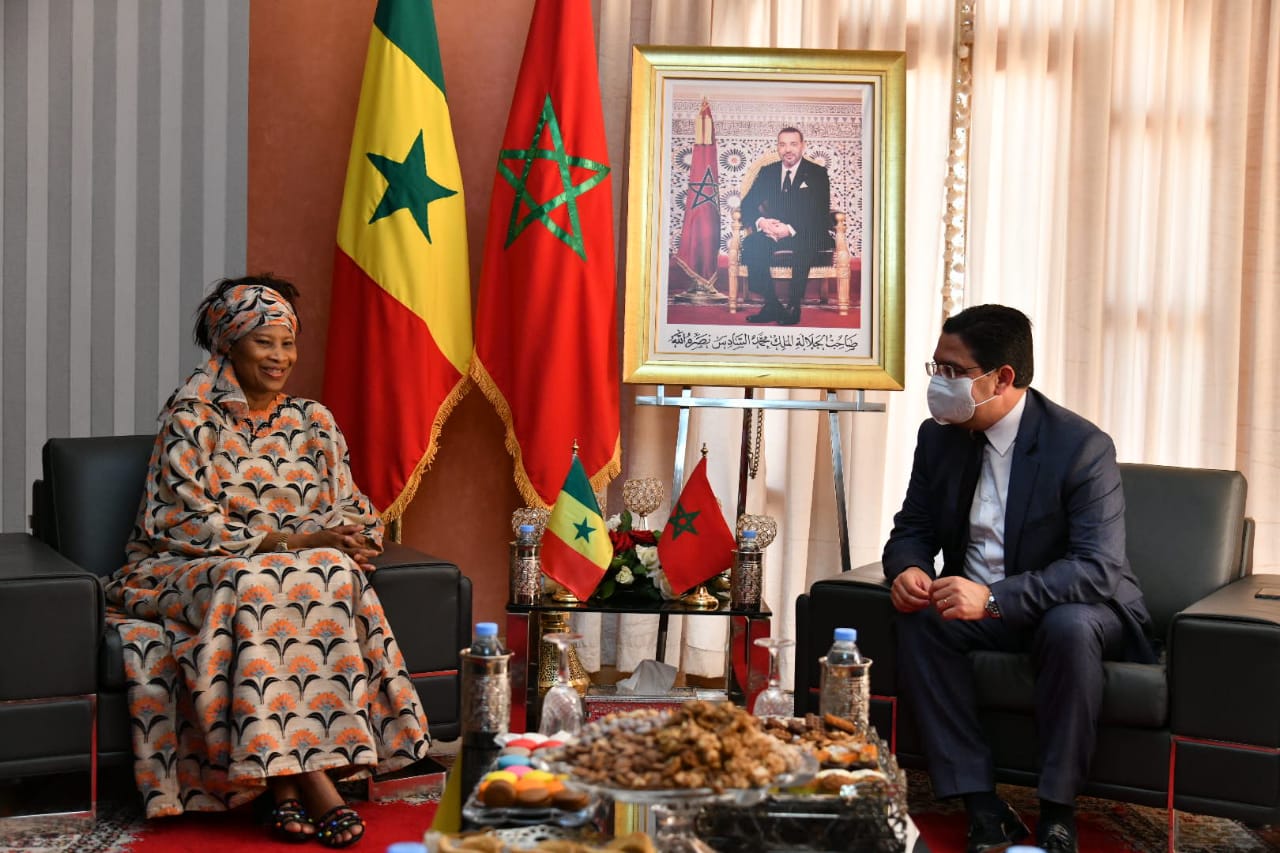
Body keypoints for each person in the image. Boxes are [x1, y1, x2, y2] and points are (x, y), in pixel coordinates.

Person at [106, 275, 430, 847]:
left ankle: (280, 788)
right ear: (229, 344)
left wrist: (350, 540)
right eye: (265, 342)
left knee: (327, 573)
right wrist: (300, 544)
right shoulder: (191, 420)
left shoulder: (315, 421)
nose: (281, 357)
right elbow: (180, 523)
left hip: (287, 576)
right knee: (260, 579)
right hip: (176, 569)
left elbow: (353, 510)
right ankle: (320, 785)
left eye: (288, 342)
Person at [882, 305, 1155, 853]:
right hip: (978, 607)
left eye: (953, 372)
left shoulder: (1080, 447)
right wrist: (908, 568)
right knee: (918, 618)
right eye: (935, 368)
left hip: (1075, 604)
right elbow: (912, 526)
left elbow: (1095, 568)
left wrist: (994, 599)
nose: (938, 383)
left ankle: (1058, 810)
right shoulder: (939, 438)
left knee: (1069, 628)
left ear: (1001, 378)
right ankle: (981, 803)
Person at [738, 126, 833, 326]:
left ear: (802, 146)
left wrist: (789, 229)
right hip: (773, 230)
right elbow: (747, 204)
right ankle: (771, 303)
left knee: (804, 243)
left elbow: (820, 212)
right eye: (782, 145)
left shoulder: (817, 173)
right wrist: (762, 222)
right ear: (778, 148)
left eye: (793, 144)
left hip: (807, 230)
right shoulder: (768, 172)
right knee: (753, 243)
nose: (787, 149)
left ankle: (793, 305)